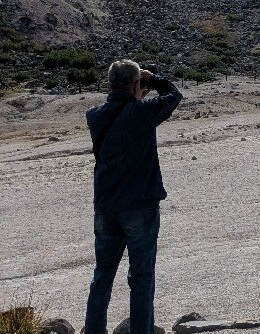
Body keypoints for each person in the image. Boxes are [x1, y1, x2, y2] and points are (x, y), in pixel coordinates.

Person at [84, 60, 183, 334]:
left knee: (102, 275)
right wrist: (154, 79)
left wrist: (138, 88)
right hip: (139, 205)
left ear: (109, 83)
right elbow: (174, 95)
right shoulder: (141, 113)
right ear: (135, 84)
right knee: (141, 278)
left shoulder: (94, 115)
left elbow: (121, 111)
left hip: (106, 206)